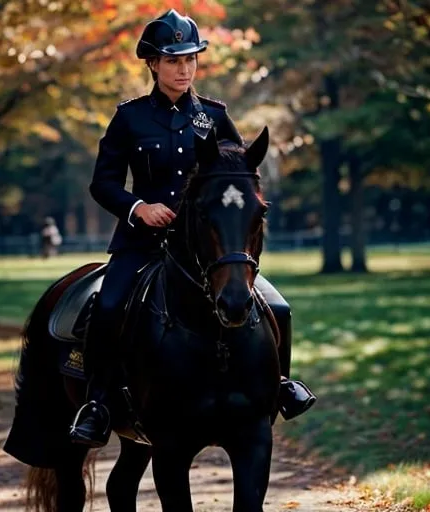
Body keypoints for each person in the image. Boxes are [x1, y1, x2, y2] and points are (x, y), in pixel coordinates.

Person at [69, 9, 316, 447]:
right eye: (173, 61)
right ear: (152, 64)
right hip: (142, 244)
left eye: (190, 60)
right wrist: (138, 207)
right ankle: (98, 402)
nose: (184, 70)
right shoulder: (130, 118)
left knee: (278, 309)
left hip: (208, 250)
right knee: (107, 309)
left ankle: (278, 384)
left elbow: (239, 172)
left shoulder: (215, 117)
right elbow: (102, 183)